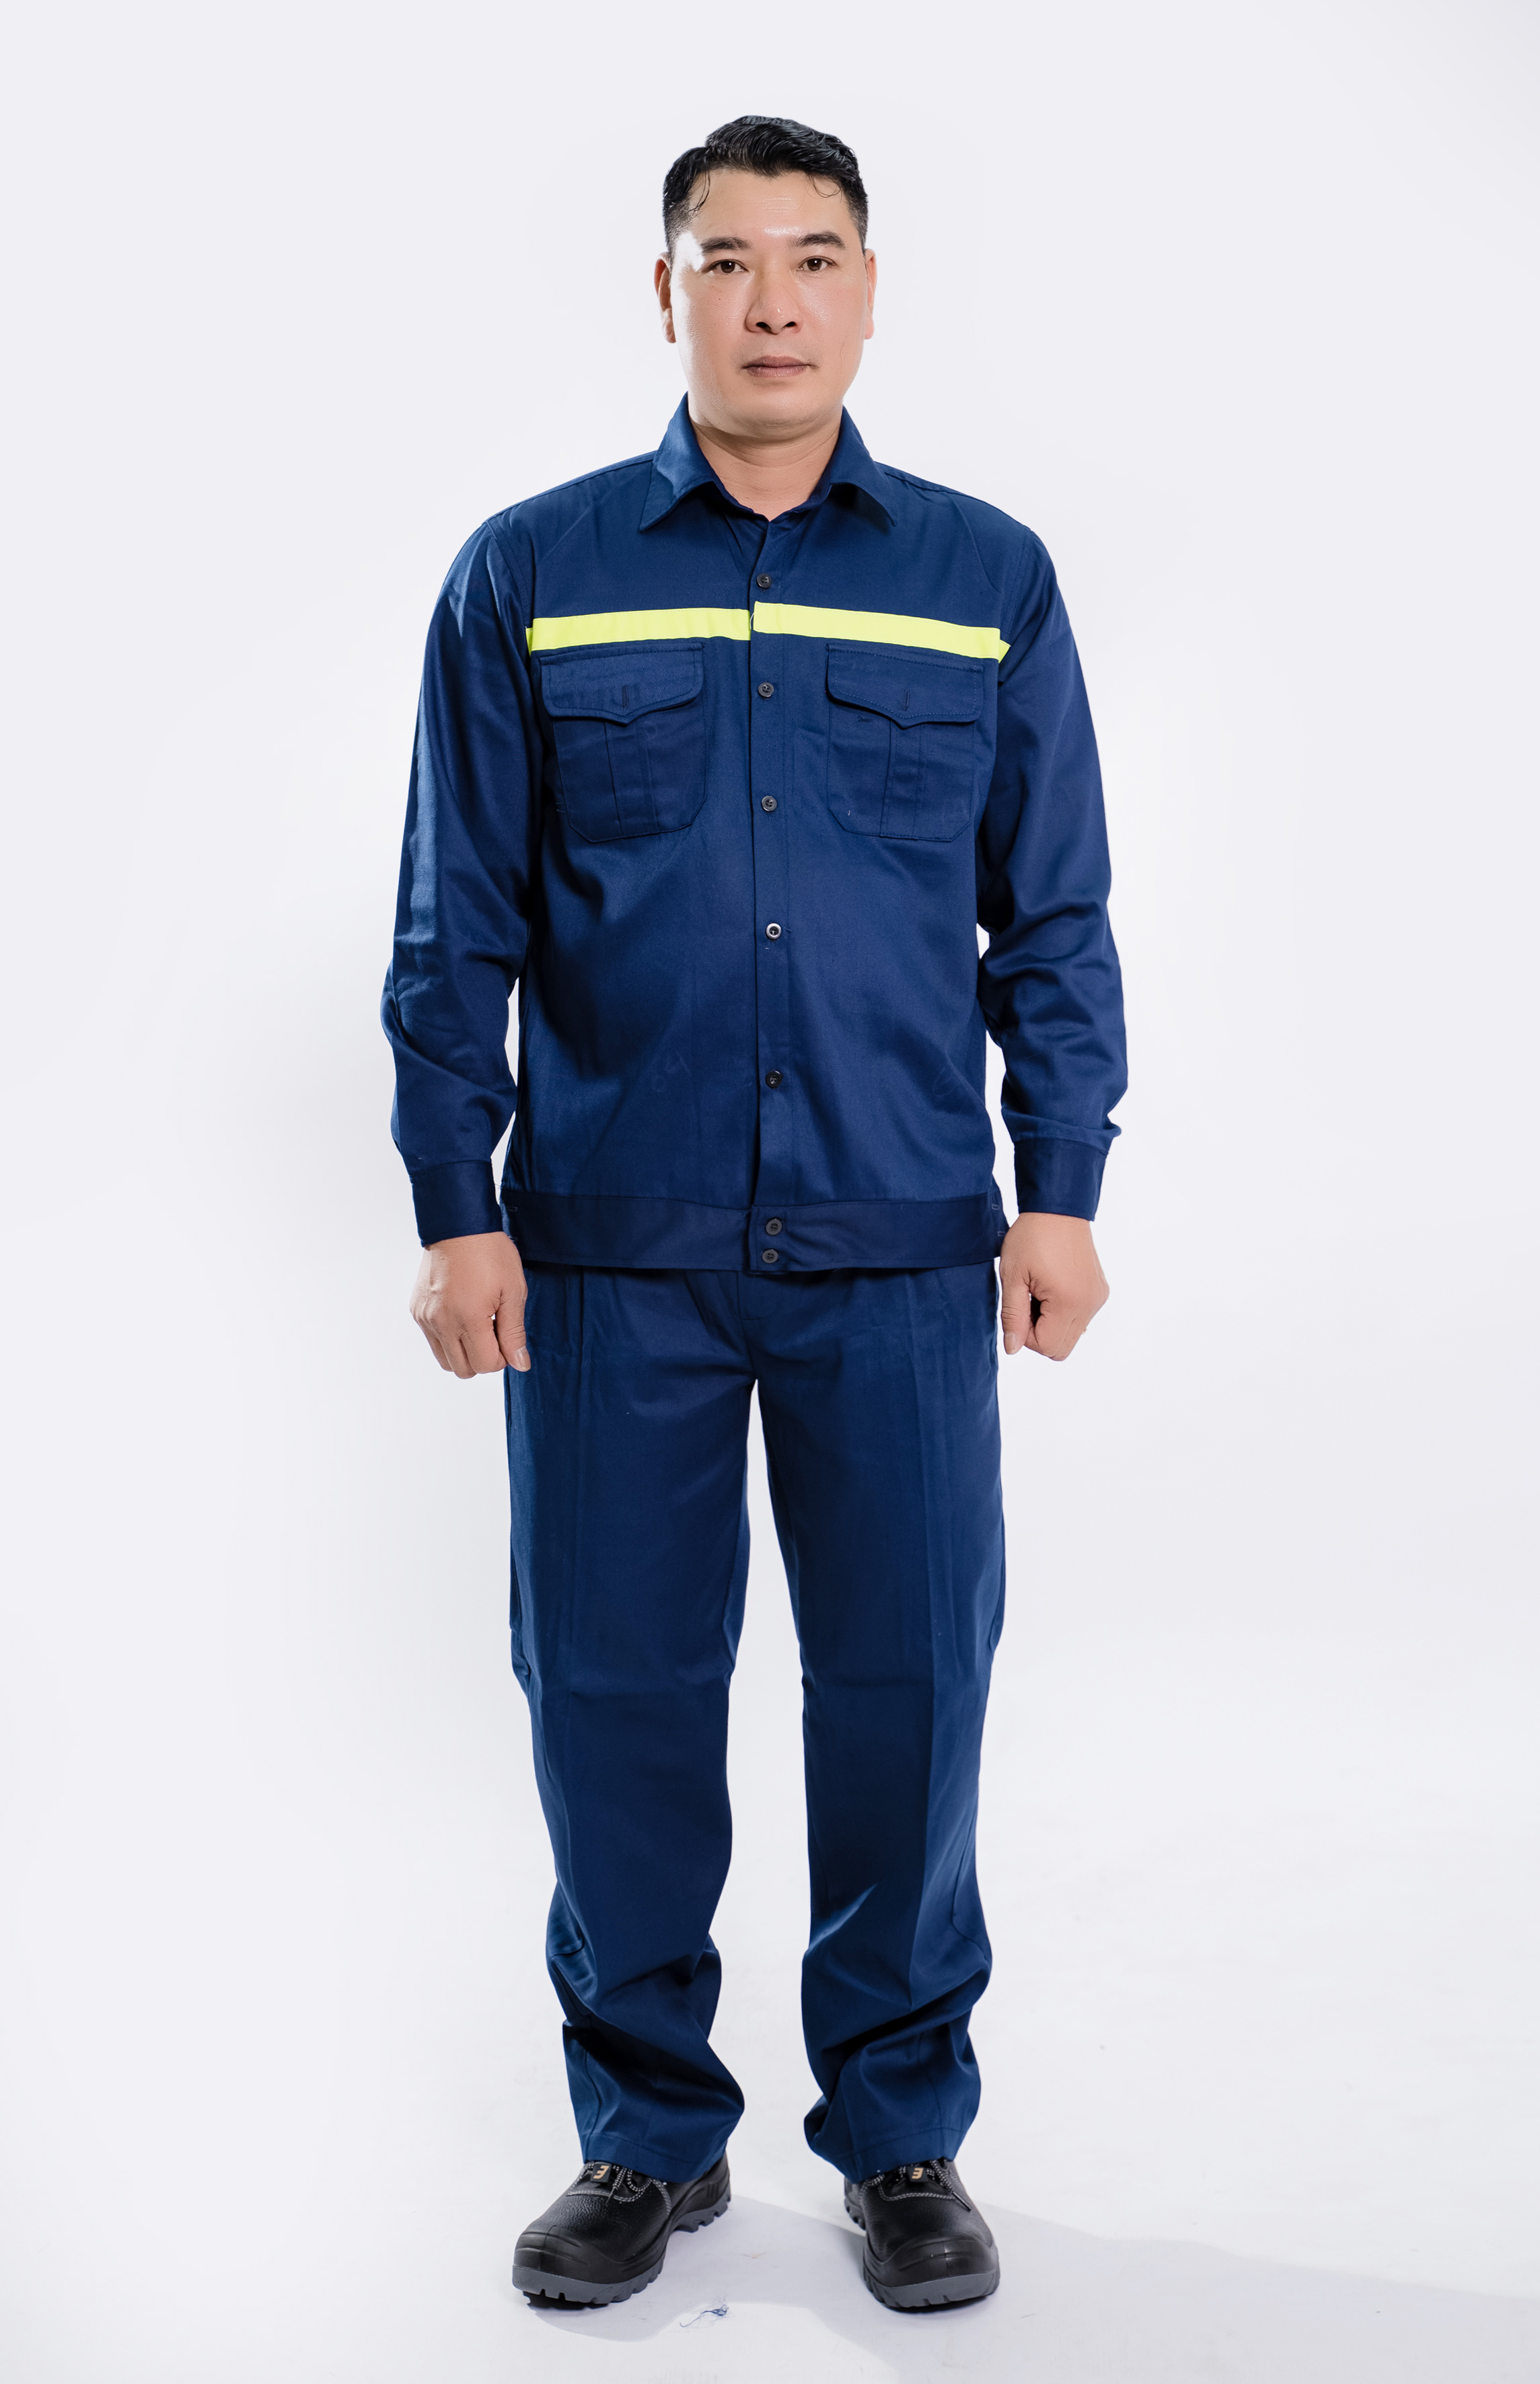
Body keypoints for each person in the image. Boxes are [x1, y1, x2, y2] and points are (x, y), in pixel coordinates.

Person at [382, 114, 1126, 2315]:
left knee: (907, 1686)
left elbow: (1050, 913)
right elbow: (454, 920)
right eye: (727, 260)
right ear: (668, 294)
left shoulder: (983, 576)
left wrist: (1061, 1185)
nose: (772, 300)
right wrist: (453, 1201)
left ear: (868, 292)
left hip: (901, 1241)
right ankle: (644, 2135)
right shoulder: (530, 571)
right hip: (604, 1251)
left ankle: (900, 2133)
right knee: (611, 1687)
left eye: (812, 257)